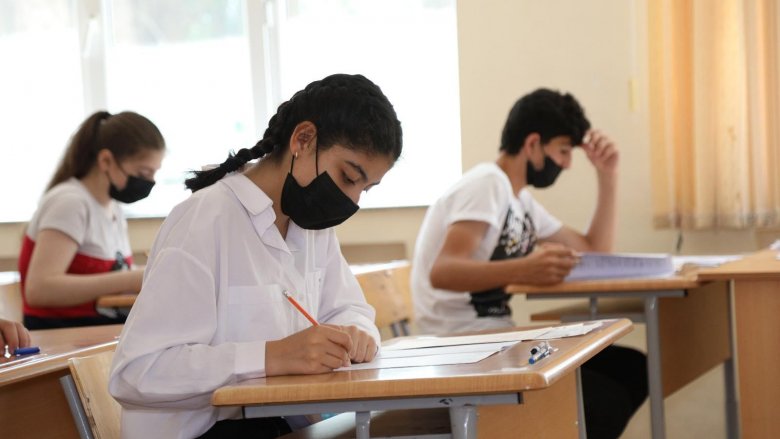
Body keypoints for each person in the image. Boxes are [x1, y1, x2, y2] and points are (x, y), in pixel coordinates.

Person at [108, 73, 403, 439]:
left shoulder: (313, 226)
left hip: (280, 424)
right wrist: (271, 357)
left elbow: (349, 310)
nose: (352, 200)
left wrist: (357, 334)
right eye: (348, 177)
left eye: (366, 189)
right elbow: (138, 371)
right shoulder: (206, 219)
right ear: (303, 139)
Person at [411, 88, 647, 438]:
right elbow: (443, 272)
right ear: (533, 143)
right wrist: (524, 269)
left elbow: (594, 251)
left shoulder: (520, 200)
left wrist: (607, 174)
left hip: (497, 340)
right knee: (604, 400)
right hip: (463, 347)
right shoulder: (487, 184)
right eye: (563, 151)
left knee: (633, 369)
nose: (566, 164)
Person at [18, 111, 165, 330]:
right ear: (106, 160)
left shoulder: (113, 208)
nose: (150, 182)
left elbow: (113, 271)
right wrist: (131, 279)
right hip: (62, 333)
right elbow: (39, 290)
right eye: (143, 173)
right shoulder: (70, 203)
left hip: (93, 329)